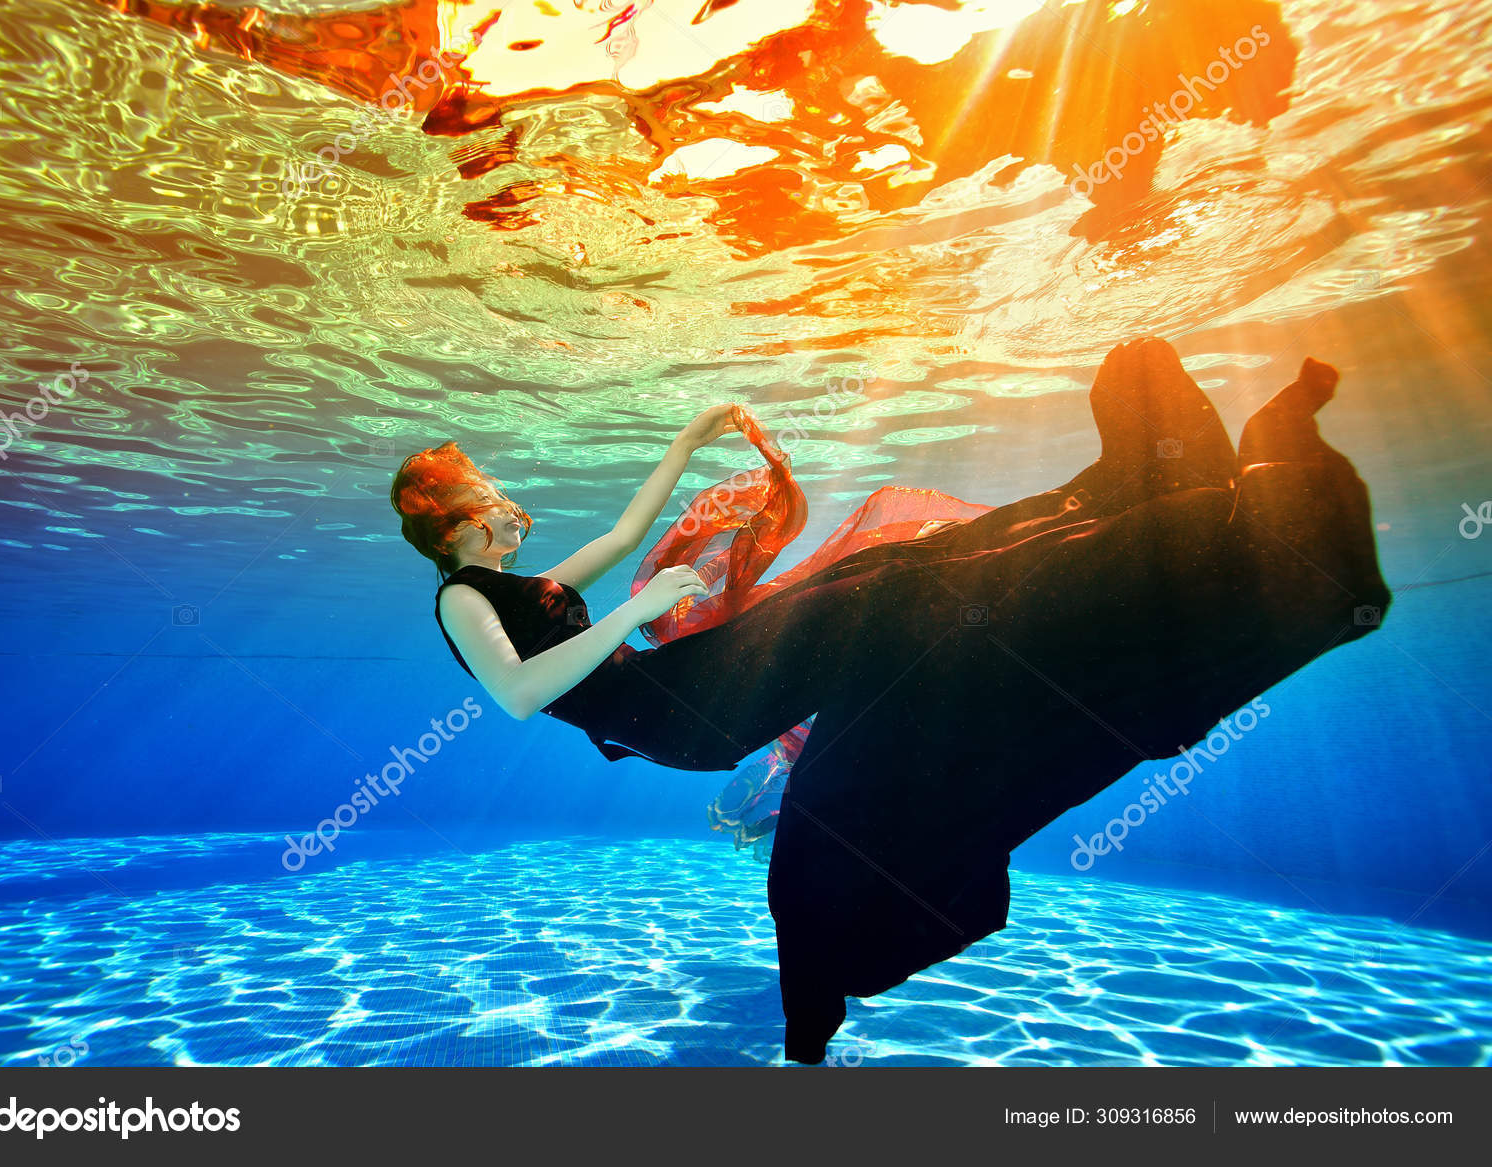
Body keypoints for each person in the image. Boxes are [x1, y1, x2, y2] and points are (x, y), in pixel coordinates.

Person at [394, 336, 1391, 1063]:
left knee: (902, 582)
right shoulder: (460, 602)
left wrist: (694, 433)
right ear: (456, 524)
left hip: (688, 685)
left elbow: (622, 532)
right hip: (682, 715)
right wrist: (642, 608)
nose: (504, 500)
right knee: (900, 599)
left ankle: (1145, 506)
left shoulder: (521, 585)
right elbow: (521, 695)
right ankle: (1180, 540)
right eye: (486, 491)